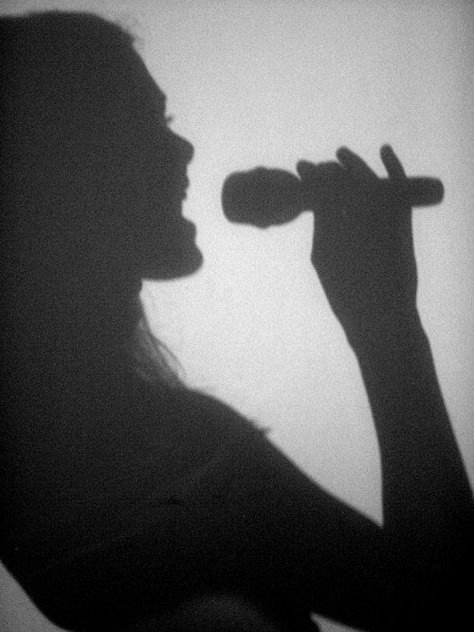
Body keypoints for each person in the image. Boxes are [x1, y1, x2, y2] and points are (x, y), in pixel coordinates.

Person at [0, 11, 472, 632]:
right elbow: (445, 602)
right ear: (67, 169)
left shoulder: (30, 452)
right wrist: (384, 320)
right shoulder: (164, 448)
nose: (183, 147)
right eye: (148, 122)